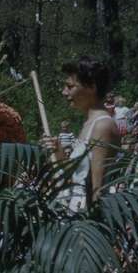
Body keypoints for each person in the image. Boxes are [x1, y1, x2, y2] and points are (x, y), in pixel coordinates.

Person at [43, 57, 118, 211]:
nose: (64, 92)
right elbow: (77, 178)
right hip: (74, 213)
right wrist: (59, 152)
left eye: (70, 86)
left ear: (91, 87)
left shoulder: (102, 126)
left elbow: (98, 190)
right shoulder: (88, 124)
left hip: (86, 221)